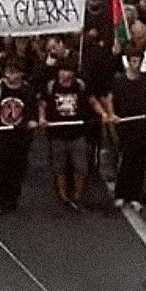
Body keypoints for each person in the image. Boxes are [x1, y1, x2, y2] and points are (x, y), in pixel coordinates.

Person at [97, 51, 146, 209]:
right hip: (125, 124)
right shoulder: (118, 80)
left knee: (139, 161)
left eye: (138, 61)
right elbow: (109, 98)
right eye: (133, 61)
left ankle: (135, 196)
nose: (136, 64)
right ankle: (121, 194)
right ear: (128, 61)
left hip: (142, 124)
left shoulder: (145, 79)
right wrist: (111, 115)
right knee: (127, 158)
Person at [0, 62, 39, 214]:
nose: (10, 76)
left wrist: (33, 120)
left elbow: (33, 107)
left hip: (20, 135)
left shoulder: (27, 89)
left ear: (21, 73)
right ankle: (0, 199)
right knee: (0, 168)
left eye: (14, 72)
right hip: (1, 135)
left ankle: (13, 198)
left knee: (17, 168)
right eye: (8, 72)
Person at [40, 63, 93, 210]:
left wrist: (103, 113)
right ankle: (63, 196)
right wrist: (42, 118)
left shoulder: (80, 86)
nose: (64, 75)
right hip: (57, 133)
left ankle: (77, 197)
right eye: (62, 71)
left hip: (78, 133)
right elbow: (43, 104)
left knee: (81, 167)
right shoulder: (51, 86)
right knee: (59, 167)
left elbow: (91, 101)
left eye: (67, 71)